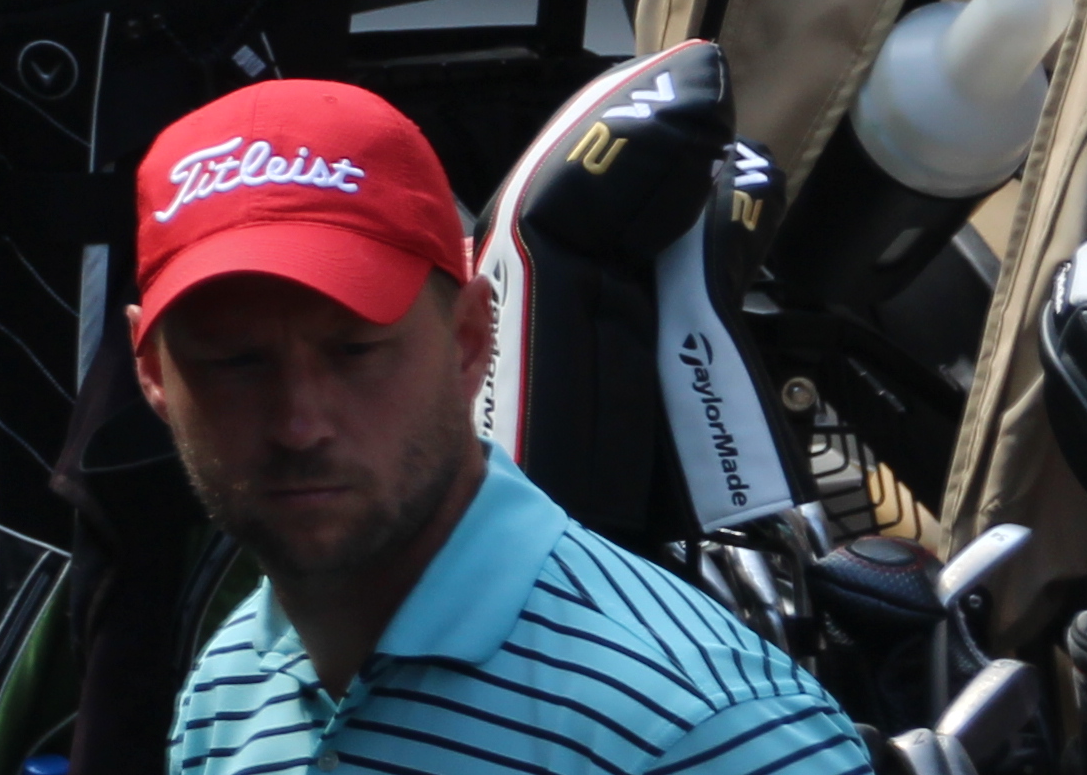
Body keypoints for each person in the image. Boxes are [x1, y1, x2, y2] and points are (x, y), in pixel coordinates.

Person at [127, 83, 861, 775]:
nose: (299, 424)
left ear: (471, 339)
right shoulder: (228, 688)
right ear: (154, 375)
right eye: (236, 362)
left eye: (355, 351)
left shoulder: (703, 727)